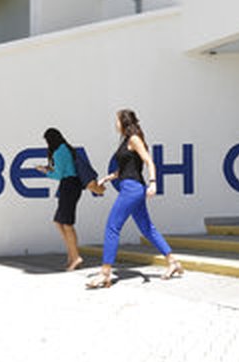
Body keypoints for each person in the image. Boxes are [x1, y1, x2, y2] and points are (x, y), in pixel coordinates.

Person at [88, 109, 184, 288]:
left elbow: (149, 162)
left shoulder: (134, 139)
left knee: (112, 227)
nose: (115, 124)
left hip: (132, 189)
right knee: (147, 229)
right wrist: (108, 177)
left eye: (116, 120)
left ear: (124, 122)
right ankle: (173, 262)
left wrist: (153, 183)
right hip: (130, 186)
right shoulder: (126, 140)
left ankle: (105, 273)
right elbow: (126, 168)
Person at [36, 128, 103, 271]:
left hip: (69, 186)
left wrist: (45, 172)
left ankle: (75, 257)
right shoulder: (65, 148)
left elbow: (59, 174)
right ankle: (72, 253)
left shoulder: (60, 151)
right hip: (70, 186)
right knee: (59, 221)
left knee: (67, 224)